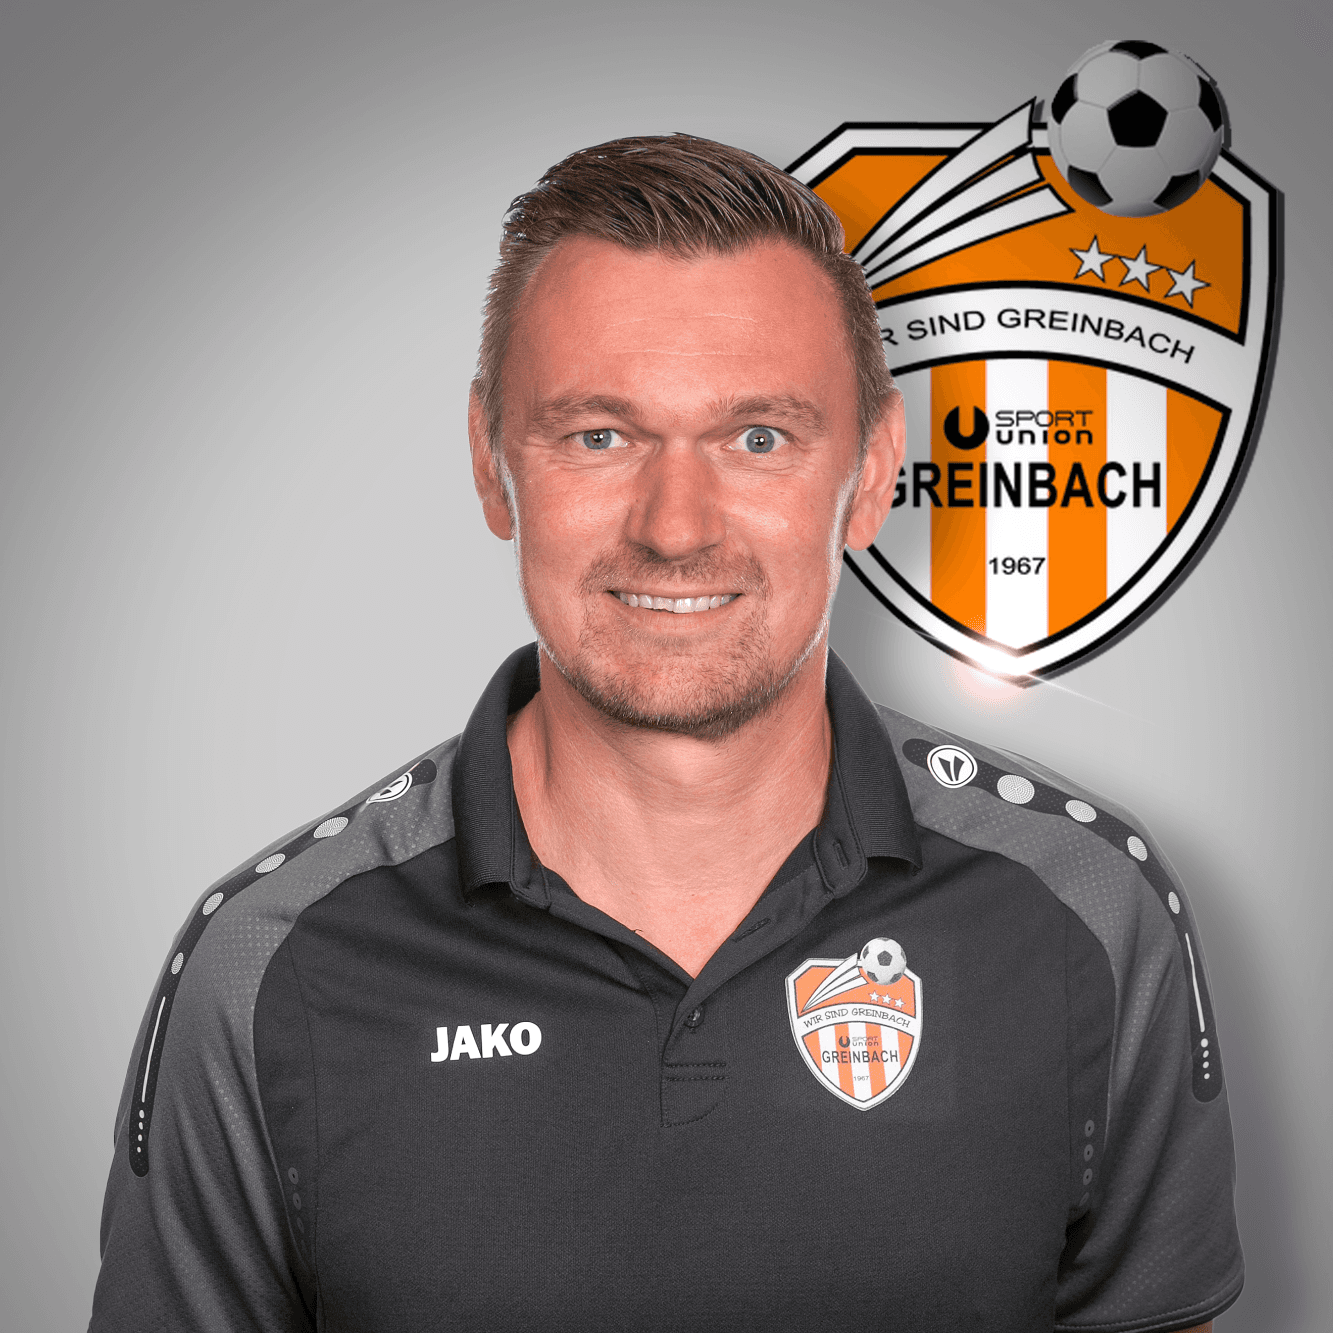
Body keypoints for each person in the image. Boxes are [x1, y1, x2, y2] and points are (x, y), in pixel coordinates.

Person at [90, 135, 1242, 1333]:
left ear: (870, 472)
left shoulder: (1084, 909)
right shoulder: (270, 962)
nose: (676, 527)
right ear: (490, 461)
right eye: (600, 435)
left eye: (758, 438)